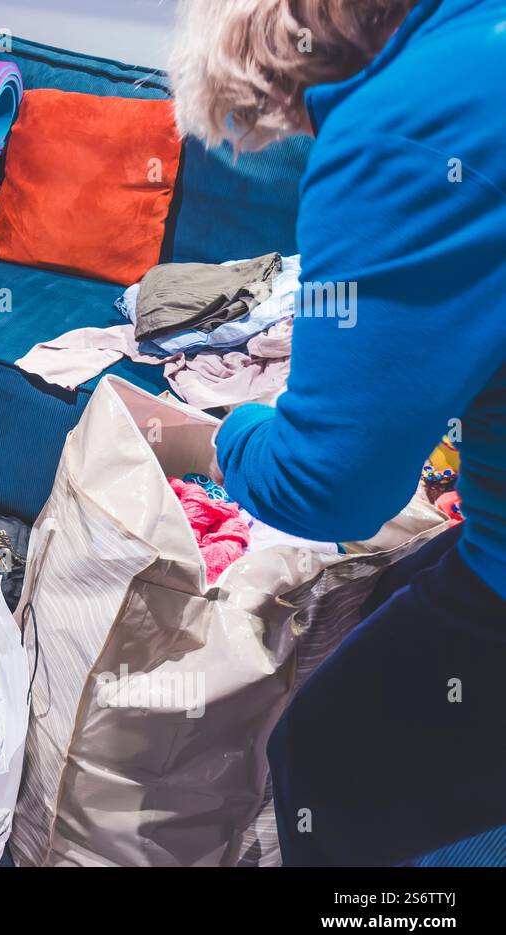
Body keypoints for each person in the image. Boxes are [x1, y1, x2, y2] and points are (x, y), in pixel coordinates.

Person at [169, 0, 506, 865]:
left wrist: (229, 433)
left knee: (322, 753)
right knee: (395, 588)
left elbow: (330, 488)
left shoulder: (399, 126)